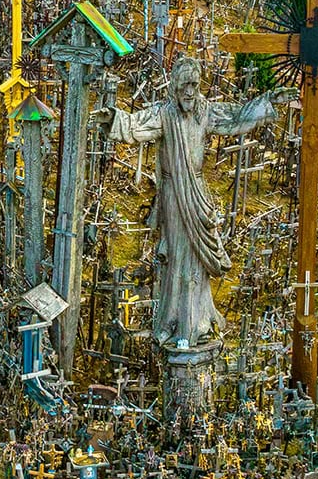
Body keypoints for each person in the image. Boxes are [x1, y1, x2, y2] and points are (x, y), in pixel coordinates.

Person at [95, 55, 297, 348]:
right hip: (174, 195)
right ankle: (172, 321)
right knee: (178, 257)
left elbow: (237, 118)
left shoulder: (205, 112)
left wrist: (268, 100)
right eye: (184, 86)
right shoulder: (164, 114)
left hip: (197, 194)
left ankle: (198, 321)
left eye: (194, 85)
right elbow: (137, 125)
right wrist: (114, 118)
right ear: (174, 87)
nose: (189, 92)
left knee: (197, 263)